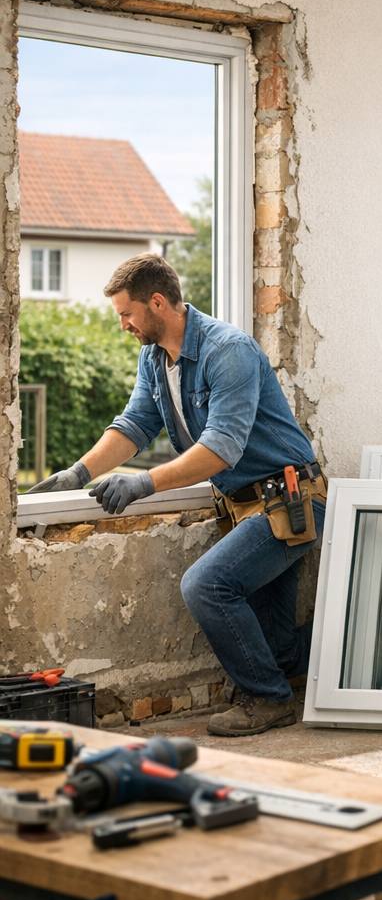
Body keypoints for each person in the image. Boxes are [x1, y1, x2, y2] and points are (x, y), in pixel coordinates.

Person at [29, 254, 326, 736]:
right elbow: (134, 425)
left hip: (289, 502)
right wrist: (77, 473)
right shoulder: (155, 358)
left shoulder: (227, 350)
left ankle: (268, 699)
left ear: (157, 302)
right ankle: (370, 637)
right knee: (280, 650)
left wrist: (143, 483)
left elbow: (220, 450)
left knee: (206, 585)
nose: (123, 325)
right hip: (248, 507)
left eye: (126, 314)